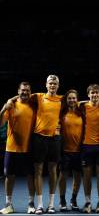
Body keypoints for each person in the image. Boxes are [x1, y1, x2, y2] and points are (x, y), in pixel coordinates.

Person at [0, 82, 36, 214]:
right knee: (9, 176)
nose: (25, 92)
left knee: (30, 176)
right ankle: (8, 204)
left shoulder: (34, 105)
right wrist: (4, 107)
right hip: (11, 148)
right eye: (22, 90)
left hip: (29, 148)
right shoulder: (11, 105)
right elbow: (1, 123)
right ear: (18, 90)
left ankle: (31, 204)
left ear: (30, 92)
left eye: (27, 90)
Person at [31, 75, 62, 214]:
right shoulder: (38, 96)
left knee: (53, 170)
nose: (52, 85)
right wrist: (9, 100)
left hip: (54, 139)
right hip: (39, 138)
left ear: (58, 85)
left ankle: (50, 204)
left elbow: (78, 102)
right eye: (50, 83)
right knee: (38, 170)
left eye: (55, 83)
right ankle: (39, 204)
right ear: (46, 84)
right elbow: (21, 96)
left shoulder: (62, 100)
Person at [80, 84, 99, 213]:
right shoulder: (83, 107)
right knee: (87, 175)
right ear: (88, 94)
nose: (95, 95)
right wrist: (86, 101)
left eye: (97, 93)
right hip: (87, 145)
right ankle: (87, 202)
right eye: (92, 93)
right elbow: (75, 102)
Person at [58, 90, 84, 212]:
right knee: (63, 176)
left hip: (79, 150)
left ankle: (73, 200)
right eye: (69, 98)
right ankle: (62, 200)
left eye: (74, 98)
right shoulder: (61, 113)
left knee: (77, 176)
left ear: (77, 100)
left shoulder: (82, 113)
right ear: (66, 100)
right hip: (64, 150)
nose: (72, 100)